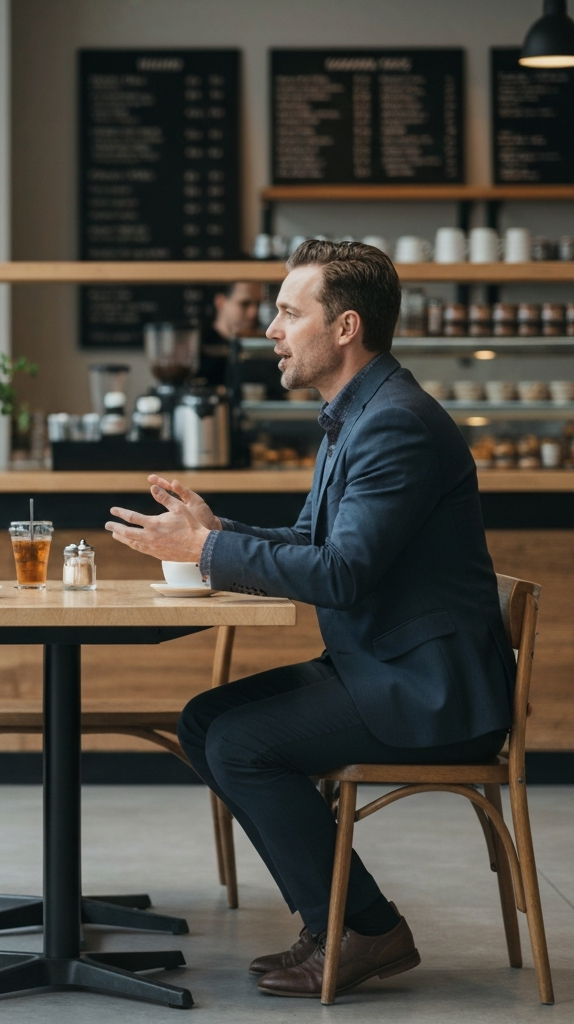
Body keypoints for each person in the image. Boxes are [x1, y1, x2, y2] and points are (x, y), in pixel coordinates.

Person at [105, 241, 515, 1000]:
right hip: (384, 666)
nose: (271, 330)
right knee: (204, 720)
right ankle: (336, 921)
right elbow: (312, 542)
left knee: (240, 742)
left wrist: (206, 551)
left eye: (290, 313)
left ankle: (365, 928)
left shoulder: (394, 424)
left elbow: (342, 575)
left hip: (430, 691)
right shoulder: (358, 414)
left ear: (346, 327)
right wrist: (215, 532)